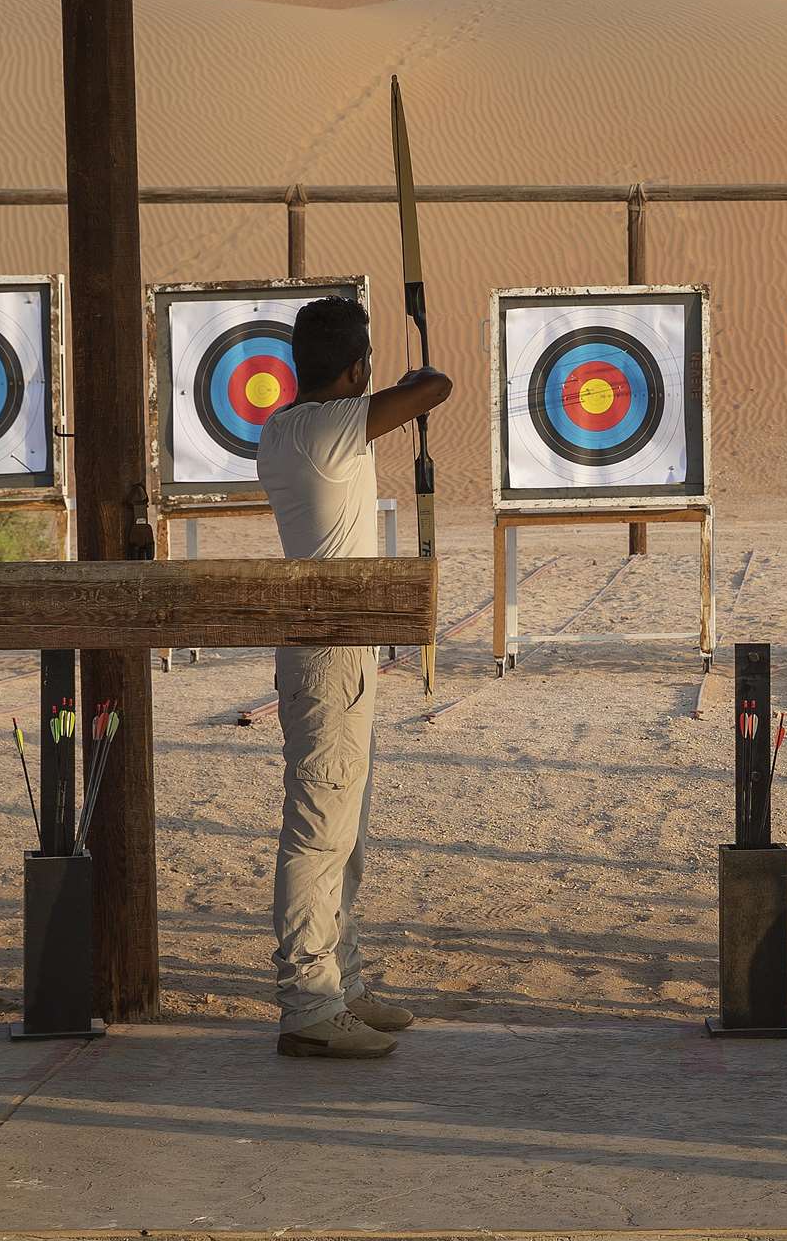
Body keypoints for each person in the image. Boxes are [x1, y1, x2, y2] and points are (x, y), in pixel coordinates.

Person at [255, 293, 452, 1059]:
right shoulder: (327, 429)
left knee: (348, 831)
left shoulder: (283, 427)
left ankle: (343, 980)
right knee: (319, 830)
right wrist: (411, 375)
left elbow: (396, 400)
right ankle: (307, 999)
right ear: (356, 367)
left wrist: (383, 379)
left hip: (337, 649)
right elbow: (434, 390)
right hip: (330, 653)